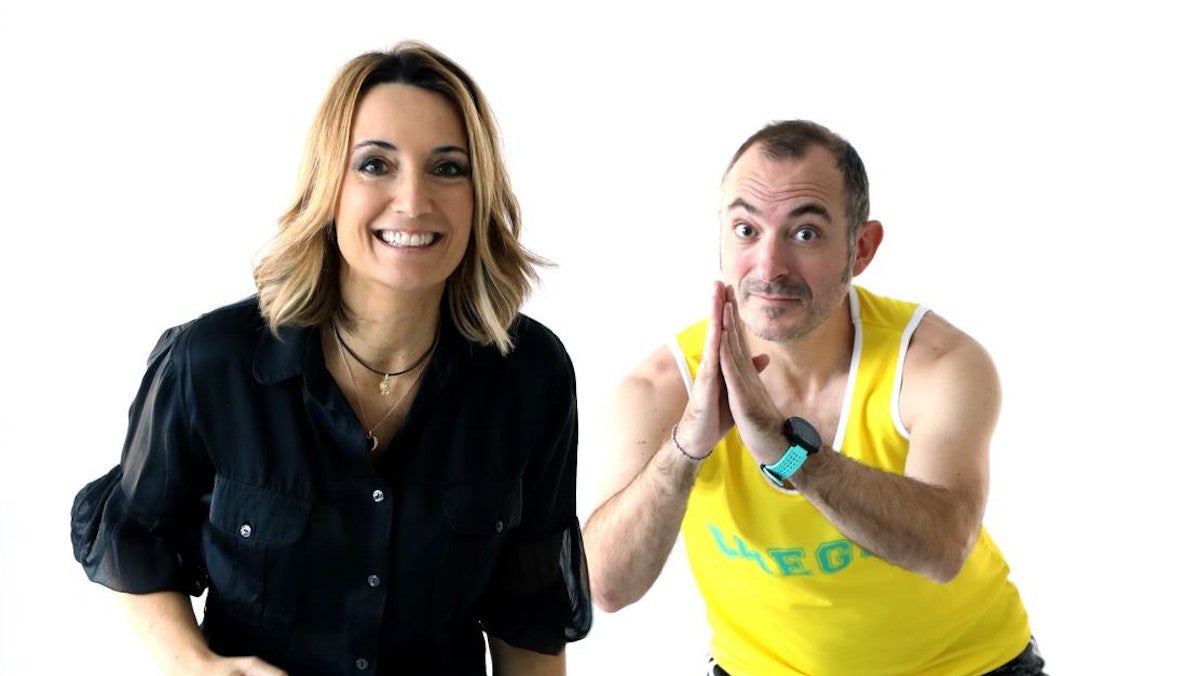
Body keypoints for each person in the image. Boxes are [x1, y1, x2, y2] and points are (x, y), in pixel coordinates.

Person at [70, 41, 590, 676]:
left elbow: (528, 619)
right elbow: (134, 538)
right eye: (375, 165)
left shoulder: (531, 375)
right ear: (329, 187)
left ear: (480, 195)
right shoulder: (213, 362)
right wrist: (199, 668)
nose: (413, 200)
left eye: (448, 168)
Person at [583, 120, 1046, 675]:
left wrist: (788, 455)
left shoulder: (933, 363)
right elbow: (604, 586)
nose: (769, 267)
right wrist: (686, 448)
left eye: (805, 234)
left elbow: (944, 549)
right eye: (746, 230)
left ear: (861, 248)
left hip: (967, 667)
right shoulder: (662, 387)